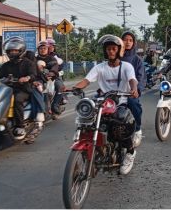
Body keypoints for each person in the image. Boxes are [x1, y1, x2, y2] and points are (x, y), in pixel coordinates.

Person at [68, 35, 139, 175]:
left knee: (121, 124)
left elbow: (132, 79)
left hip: (120, 101)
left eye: (113, 49)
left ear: (119, 50)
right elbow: (86, 80)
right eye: (108, 49)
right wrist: (75, 87)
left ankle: (130, 152)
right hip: (103, 101)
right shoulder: (99, 67)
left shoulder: (126, 66)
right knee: (87, 120)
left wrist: (134, 89)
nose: (110, 52)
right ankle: (90, 149)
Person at [120, 31, 146, 147]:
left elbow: (140, 77)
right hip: (116, 91)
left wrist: (137, 90)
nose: (128, 42)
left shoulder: (137, 60)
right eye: (125, 39)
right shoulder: (116, 57)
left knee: (133, 103)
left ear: (134, 43)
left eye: (130, 40)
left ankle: (138, 129)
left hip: (130, 91)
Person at [36, 40, 63, 117]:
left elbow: (55, 66)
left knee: (60, 86)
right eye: (41, 48)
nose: (43, 50)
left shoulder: (52, 58)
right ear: (38, 50)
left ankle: (55, 105)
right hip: (39, 78)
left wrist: (52, 73)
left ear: (47, 49)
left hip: (53, 77)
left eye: (44, 48)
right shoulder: (34, 59)